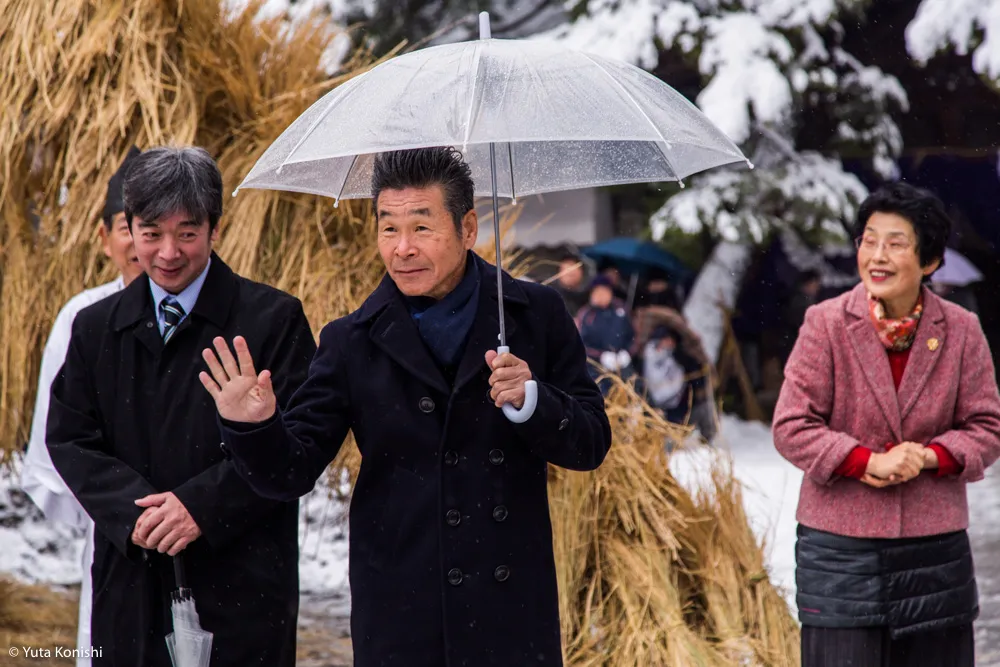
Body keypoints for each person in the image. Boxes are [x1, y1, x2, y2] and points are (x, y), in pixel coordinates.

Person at [200, 147, 612, 667]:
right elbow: (291, 471)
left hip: (509, 613)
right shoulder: (351, 340)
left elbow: (591, 443)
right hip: (402, 613)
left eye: (421, 227)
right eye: (388, 228)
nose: (402, 249)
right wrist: (253, 426)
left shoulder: (535, 315)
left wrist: (533, 400)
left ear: (467, 228)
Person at [45, 147, 317, 667]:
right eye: (151, 234)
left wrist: (201, 506)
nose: (168, 253)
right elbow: (70, 438)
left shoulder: (272, 321)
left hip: (241, 585)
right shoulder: (97, 328)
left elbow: (300, 451)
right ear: (129, 228)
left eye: (187, 233)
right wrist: (137, 512)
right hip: (131, 583)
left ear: (215, 228)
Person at [772, 182, 1000, 667]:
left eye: (896, 244)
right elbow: (792, 425)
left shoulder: (961, 329)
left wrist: (930, 457)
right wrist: (864, 461)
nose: (878, 256)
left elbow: (986, 426)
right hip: (841, 555)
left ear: (929, 261)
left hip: (934, 553)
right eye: (869, 241)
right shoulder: (825, 323)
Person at [20, 146, 145, 667]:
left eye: (152, 226)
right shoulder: (82, 318)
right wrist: (113, 507)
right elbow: (56, 441)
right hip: (111, 529)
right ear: (104, 238)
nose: (140, 241)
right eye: (126, 227)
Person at [576, 274, 636, 391]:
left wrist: (628, 353)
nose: (601, 295)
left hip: (623, 364)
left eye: (605, 291)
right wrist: (601, 356)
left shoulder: (622, 309)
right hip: (595, 369)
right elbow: (580, 344)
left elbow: (635, 335)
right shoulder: (585, 314)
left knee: (633, 389)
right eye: (597, 292)